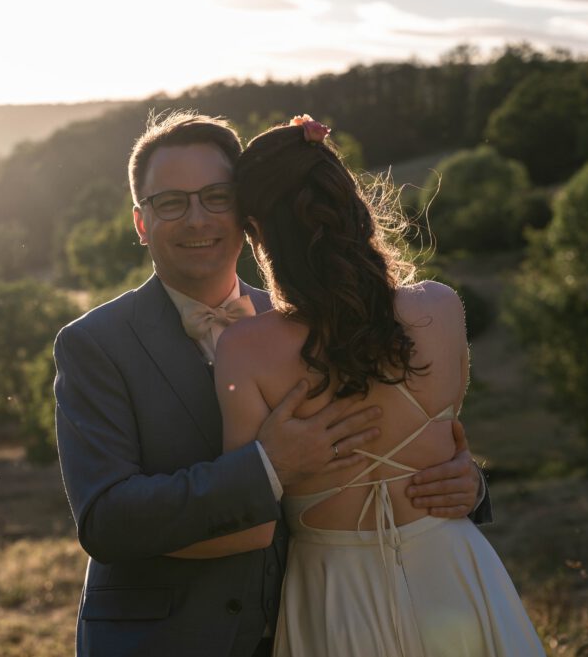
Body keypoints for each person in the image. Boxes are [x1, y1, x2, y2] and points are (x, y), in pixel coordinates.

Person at [53, 111, 489, 657]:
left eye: (216, 197)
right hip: (163, 642)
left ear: (246, 212)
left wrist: (467, 484)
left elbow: (389, 449)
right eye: (171, 203)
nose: (197, 219)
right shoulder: (93, 344)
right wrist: (267, 468)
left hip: (313, 629)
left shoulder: (306, 321)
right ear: (141, 223)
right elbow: (107, 521)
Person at [203, 116, 543, 656]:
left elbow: (247, 526)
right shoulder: (441, 308)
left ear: (256, 232)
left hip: (335, 595)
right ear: (351, 203)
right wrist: (471, 481)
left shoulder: (245, 349)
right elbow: (449, 441)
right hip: (456, 573)